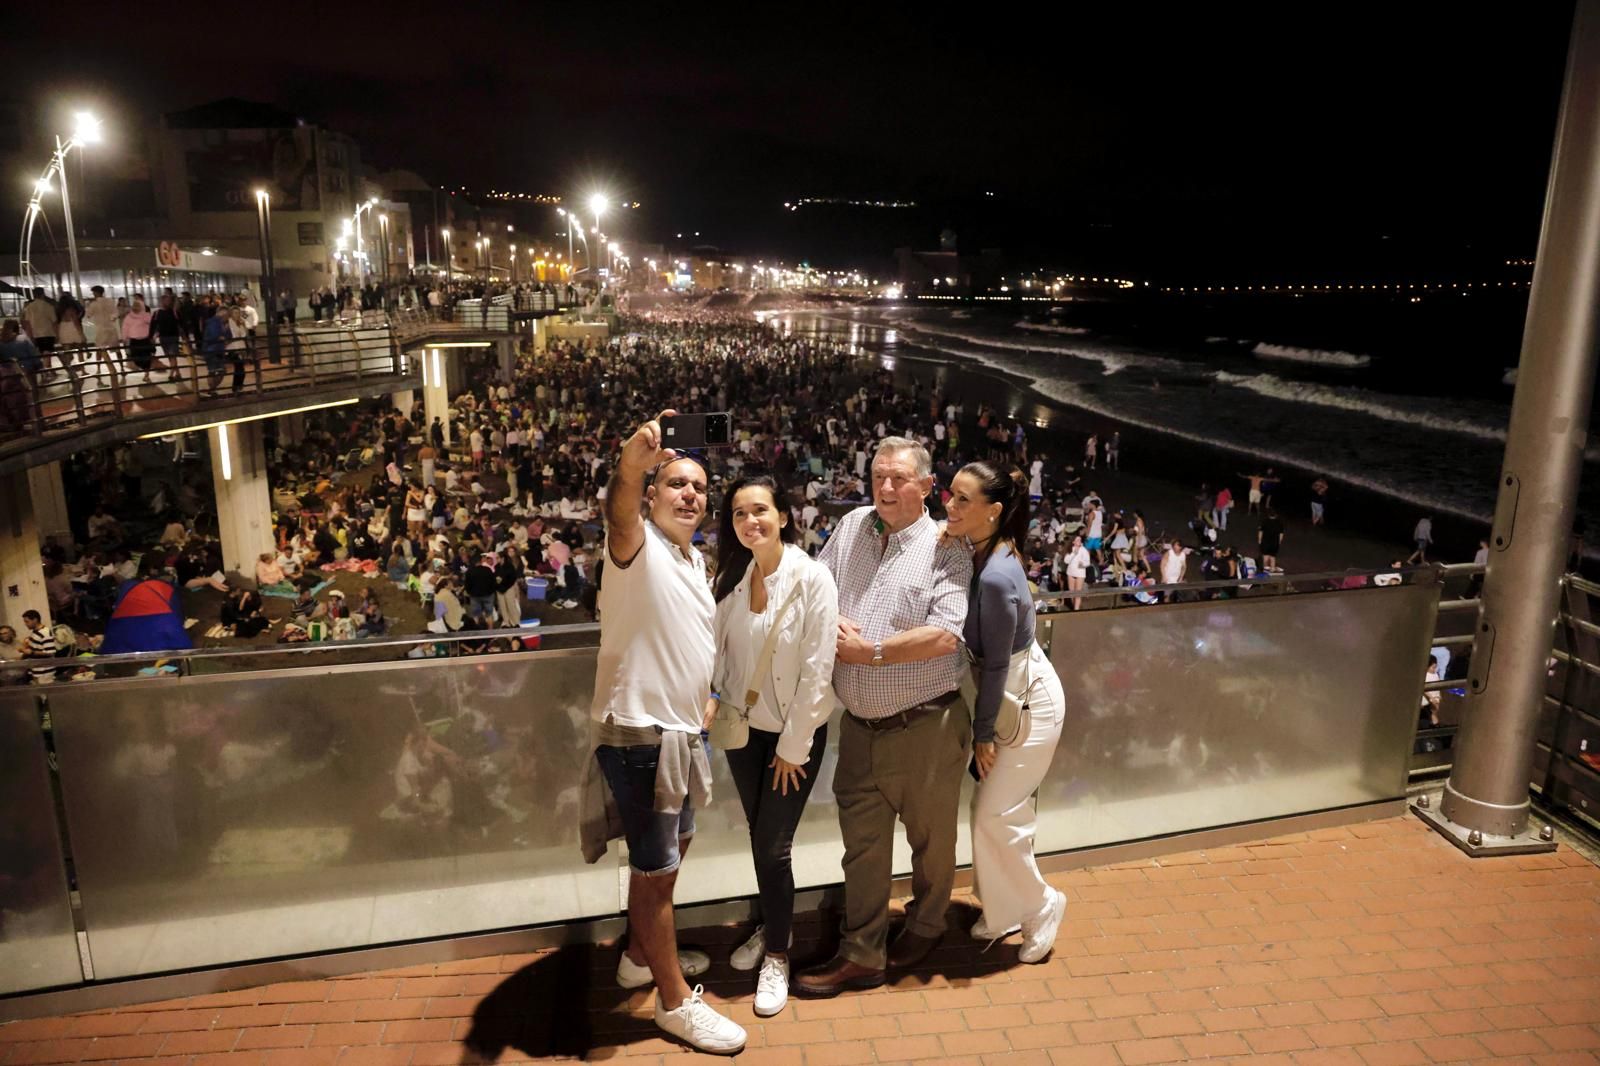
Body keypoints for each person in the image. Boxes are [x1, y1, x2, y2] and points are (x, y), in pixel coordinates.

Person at [578, 411, 745, 1053]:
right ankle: (674, 1005)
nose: (690, 495)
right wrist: (630, 464)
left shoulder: (690, 560)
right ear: (652, 494)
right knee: (655, 870)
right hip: (641, 735)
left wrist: (703, 698)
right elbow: (617, 511)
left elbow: (690, 641)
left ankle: (638, 960)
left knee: (671, 858)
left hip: (679, 735)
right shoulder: (637, 546)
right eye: (675, 483)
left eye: (699, 488)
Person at [796, 437, 972, 997]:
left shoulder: (947, 546)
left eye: (899, 479)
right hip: (859, 727)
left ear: (926, 487)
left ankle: (926, 924)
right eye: (878, 478)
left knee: (932, 841)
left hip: (927, 726)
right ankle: (863, 954)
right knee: (863, 848)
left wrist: (869, 651)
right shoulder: (852, 528)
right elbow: (813, 590)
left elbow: (946, 633)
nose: (886, 489)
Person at [709, 474, 838, 1018]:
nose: (749, 522)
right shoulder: (732, 578)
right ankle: (771, 924)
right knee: (760, 836)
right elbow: (719, 654)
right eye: (739, 514)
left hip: (792, 737)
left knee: (773, 845)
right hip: (743, 735)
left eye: (759, 510)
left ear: (783, 516)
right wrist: (711, 697)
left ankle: (779, 954)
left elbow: (817, 670)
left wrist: (794, 747)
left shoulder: (812, 579)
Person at [942, 460, 1068, 962]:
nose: (949, 507)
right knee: (988, 816)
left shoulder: (994, 575)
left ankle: (1041, 904)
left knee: (996, 815)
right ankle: (1002, 912)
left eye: (962, 501)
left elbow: (995, 666)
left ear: (992, 512)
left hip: (1027, 707)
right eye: (950, 496)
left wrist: (983, 735)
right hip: (1016, 697)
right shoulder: (981, 550)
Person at [20, 609, 58, 684]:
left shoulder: (45, 633)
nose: (25, 624)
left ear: (35, 620)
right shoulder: (36, 631)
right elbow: (39, 645)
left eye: (27, 621)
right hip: (37, 668)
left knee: (45, 692)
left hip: (44, 670)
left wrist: (31, 652)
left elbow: (51, 652)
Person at [1064, 533, 1090, 610]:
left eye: (1080, 540)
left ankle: (1076, 610)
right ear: (1073, 542)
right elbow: (1066, 561)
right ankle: (1074, 607)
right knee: (1072, 593)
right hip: (1070, 573)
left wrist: (1082, 564)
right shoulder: (1070, 549)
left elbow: (1088, 562)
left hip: (1080, 574)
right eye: (1077, 540)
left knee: (1078, 594)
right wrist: (1073, 553)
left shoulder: (1084, 550)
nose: (1079, 541)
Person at [1258, 507, 1285, 574]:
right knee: (1273, 557)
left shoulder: (1265, 521)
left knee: (1265, 557)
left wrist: (1259, 540)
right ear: (1276, 515)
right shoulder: (1279, 523)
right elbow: (1281, 534)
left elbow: (1261, 532)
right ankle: (1272, 571)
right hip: (1275, 543)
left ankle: (1265, 571)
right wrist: (1279, 542)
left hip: (1265, 542)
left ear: (1268, 514)